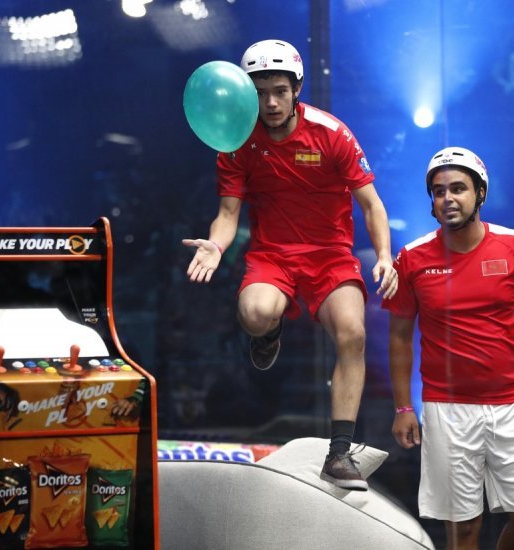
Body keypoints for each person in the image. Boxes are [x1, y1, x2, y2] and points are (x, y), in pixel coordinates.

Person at [183, 39, 398, 491]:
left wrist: (383, 255)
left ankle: (339, 453)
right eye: (260, 93)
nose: (271, 103)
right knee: (255, 314)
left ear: (296, 89)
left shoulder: (332, 134)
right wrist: (216, 246)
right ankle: (270, 330)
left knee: (353, 333)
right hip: (273, 256)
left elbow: (372, 204)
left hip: (330, 255)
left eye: (280, 91)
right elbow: (228, 214)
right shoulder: (237, 141)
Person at [383, 146, 514, 548]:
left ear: (480, 193)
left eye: (458, 189)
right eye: (438, 191)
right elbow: (398, 337)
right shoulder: (412, 258)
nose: (448, 199)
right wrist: (402, 407)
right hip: (447, 410)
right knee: (463, 528)